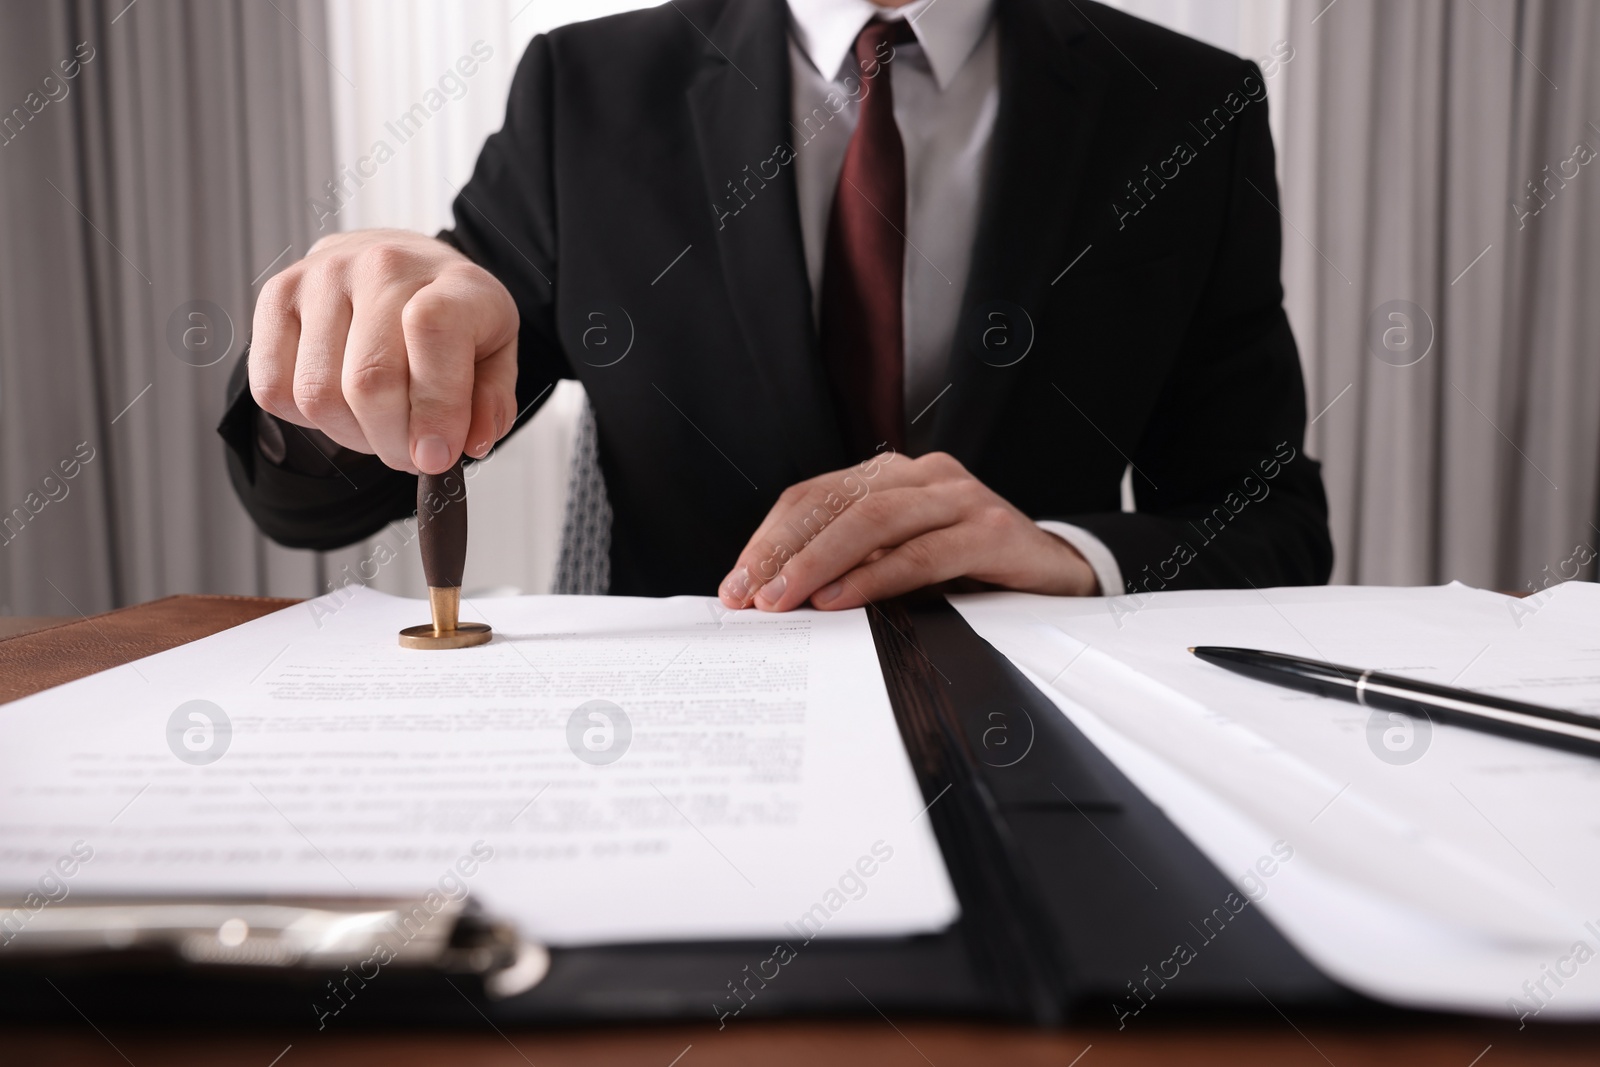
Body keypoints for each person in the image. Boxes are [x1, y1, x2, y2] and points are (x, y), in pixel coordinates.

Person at [219, 0, 1332, 611]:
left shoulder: (1188, 106)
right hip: (684, 752)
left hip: (1042, 740)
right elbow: (311, 502)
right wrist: (343, 359)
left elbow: (1271, 522)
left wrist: (1061, 550)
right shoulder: (586, 91)